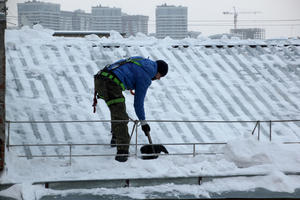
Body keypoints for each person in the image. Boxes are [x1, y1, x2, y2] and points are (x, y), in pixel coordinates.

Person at [93, 56, 168, 162]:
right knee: (121, 116)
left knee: (118, 110)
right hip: (111, 83)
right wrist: (143, 122)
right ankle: (122, 153)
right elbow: (138, 103)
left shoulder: (141, 61)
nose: (159, 78)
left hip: (100, 79)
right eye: (161, 76)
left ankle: (115, 139)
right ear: (158, 72)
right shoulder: (146, 76)